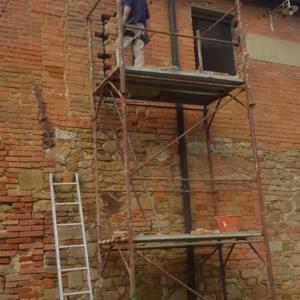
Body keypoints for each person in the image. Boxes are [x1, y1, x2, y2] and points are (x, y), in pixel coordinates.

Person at [121, 0, 150, 67]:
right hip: (141, 28)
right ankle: (139, 68)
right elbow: (147, 18)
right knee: (139, 50)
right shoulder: (143, 1)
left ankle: (121, 66)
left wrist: (123, 22)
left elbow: (127, 7)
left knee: (120, 45)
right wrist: (146, 33)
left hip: (131, 25)